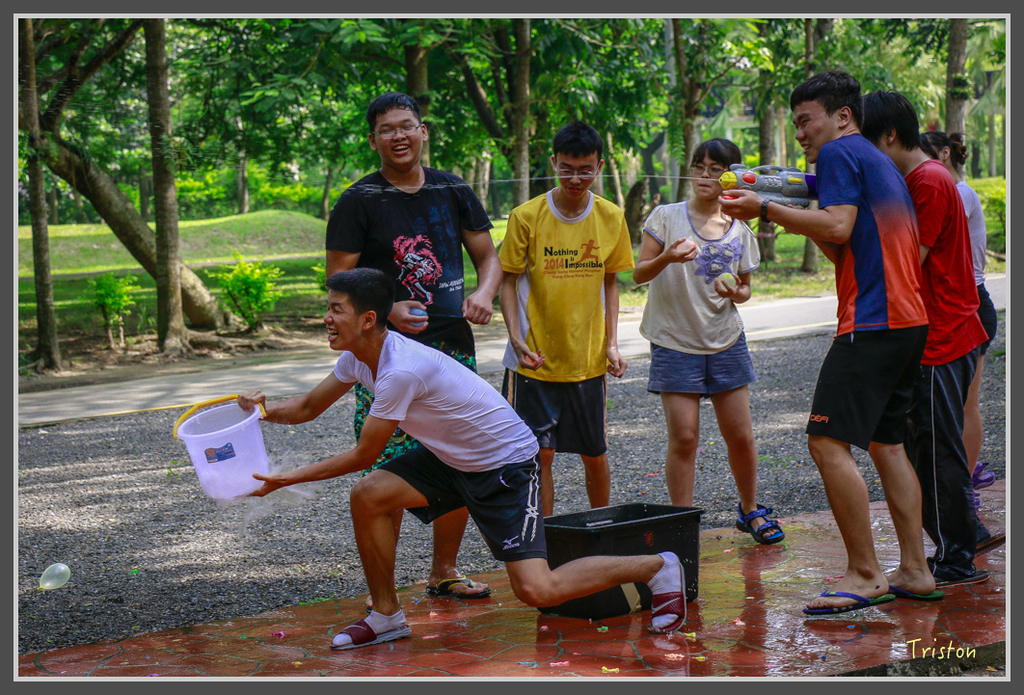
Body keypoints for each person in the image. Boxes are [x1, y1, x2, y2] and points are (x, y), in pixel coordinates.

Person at [238, 268, 689, 650]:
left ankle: (658, 566)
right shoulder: (359, 357)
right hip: (451, 456)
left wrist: (285, 479)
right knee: (370, 495)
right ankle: (387, 615)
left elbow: (365, 453)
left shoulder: (400, 369)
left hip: (504, 463)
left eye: (336, 309)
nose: (327, 317)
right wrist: (259, 410)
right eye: (329, 307)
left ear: (368, 319)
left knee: (537, 588)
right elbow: (305, 408)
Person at [719, 70, 937, 614]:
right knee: (887, 445)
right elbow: (828, 210)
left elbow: (837, 226)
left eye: (804, 120)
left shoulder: (839, 155)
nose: (800, 134)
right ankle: (915, 568)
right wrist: (761, 185)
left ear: (841, 116)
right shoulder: (874, 159)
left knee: (825, 442)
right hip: (909, 322)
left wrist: (762, 209)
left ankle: (865, 572)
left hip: (873, 321)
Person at [324, 91, 502, 602]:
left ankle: (443, 571)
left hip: (453, 350)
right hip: (385, 354)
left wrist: (484, 292)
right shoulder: (358, 200)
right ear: (374, 138)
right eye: (387, 129)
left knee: (459, 456)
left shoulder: (454, 189)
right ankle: (386, 592)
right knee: (387, 463)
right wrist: (390, 305)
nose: (398, 136)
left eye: (407, 126)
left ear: (424, 131)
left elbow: (487, 256)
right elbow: (339, 276)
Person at [861, 91, 993, 585]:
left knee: (939, 453)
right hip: (933, 335)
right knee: (926, 449)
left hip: (945, 336)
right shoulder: (921, 179)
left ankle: (959, 558)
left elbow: (905, 260)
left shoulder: (929, 182)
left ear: (889, 136)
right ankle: (953, 547)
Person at [632, 137, 784, 545]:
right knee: (684, 437)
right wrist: (667, 258)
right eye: (698, 167)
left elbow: (747, 288)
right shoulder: (665, 217)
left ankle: (750, 510)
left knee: (741, 435)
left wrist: (738, 294)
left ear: (732, 176)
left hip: (725, 340)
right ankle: (682, 523)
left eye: (715, 169)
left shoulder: (740, 230)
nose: (704, 176)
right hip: (674, 341)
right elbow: (638, 273)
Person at [498, 121, 635, 517]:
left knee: (594, 452)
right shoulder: (526, 216)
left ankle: (603, 529)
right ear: (553, 162)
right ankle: (542, 539)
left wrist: (611, 343)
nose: (576, 178)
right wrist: (515, 338)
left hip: (586, 361)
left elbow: (611, 284)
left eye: (585, 169)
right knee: (539, 455)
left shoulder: (611, 217)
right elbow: (507, 282)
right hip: (534, 362)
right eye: (568, 168)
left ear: (600, 166)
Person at [920, 130, 1000, 515]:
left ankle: (965, 479)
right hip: (960, 302)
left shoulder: (958, 192)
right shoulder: (946, 187)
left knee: (967, 405)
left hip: (970, 303)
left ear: (946, 154)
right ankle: (963, 477)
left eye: (927, 156)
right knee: (960, 404)